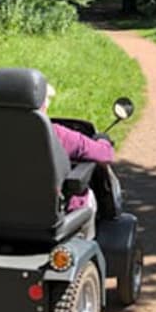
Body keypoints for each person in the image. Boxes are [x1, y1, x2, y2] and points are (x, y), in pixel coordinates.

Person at [42, 84, 112, 238]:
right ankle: (87, 249)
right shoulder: (56, 134)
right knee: (88, 199)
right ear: (43, 104)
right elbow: (104, 154)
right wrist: (103, 140)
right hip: (48, 219)